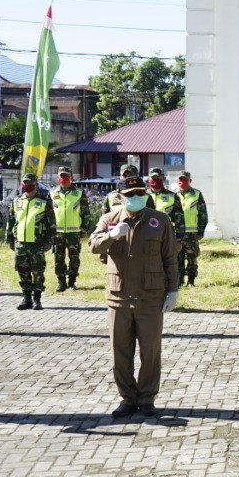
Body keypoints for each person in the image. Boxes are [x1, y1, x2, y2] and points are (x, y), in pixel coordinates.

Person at [89, 175, 180, 417]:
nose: (135, 199)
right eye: (130, 196)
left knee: (150, 351)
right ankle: (127, 398)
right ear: (119, 197)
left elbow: (170, 257)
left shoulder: (159, 220)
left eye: (140, 194)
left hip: (150, 296)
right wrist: (112, 235)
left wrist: (173, 290)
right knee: (120, 351)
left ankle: (147, 398)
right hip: (118, 297)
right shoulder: (109, 219)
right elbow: (93, 245)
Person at [5, 172, 55, 310]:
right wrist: (9, 239)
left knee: (38, 272)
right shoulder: (17, 201)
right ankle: (26, 299)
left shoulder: (44, 202)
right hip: (20, 242)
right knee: (22, 271)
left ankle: (37, 299)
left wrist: (49, 241)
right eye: (25, 183)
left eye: (30, 183)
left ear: (35, 185)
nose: (27, 186)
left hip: (37, 243)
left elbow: (51, 224)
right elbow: (11, 222)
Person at [50, 166, 92, 292]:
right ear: (58, 178)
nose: (64, 178)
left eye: (66, 176)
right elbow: (48, 214)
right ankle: (61, 282)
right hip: (58, 233)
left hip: (74, 233)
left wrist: (84, 229)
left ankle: (72, 282)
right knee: (58, 258)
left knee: (74, 258)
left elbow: (86, 213)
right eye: (61, 176)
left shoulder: (79, 193)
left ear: (71, 177)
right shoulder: (52, 193)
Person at [174, 170, 208, 286]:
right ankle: (179, 281)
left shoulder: (197, 194)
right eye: (180, 179)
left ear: (190, 181)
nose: (182, 182)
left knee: (192, 258)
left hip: (192, 233)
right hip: (177, 233)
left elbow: (203, 214)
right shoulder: (173, 195)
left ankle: (191, 281)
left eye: (184, 179)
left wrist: (201, 231)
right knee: (178, 258)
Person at [147, 167, 184, 233]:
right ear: (148, 179)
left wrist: (179, 239)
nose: (155, 180)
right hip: (146, 232)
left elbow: (179, 219)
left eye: (158, 178)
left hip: (165, 231)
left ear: (163, 179)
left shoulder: (172, 196)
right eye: (153, 178)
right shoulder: (142, 195)